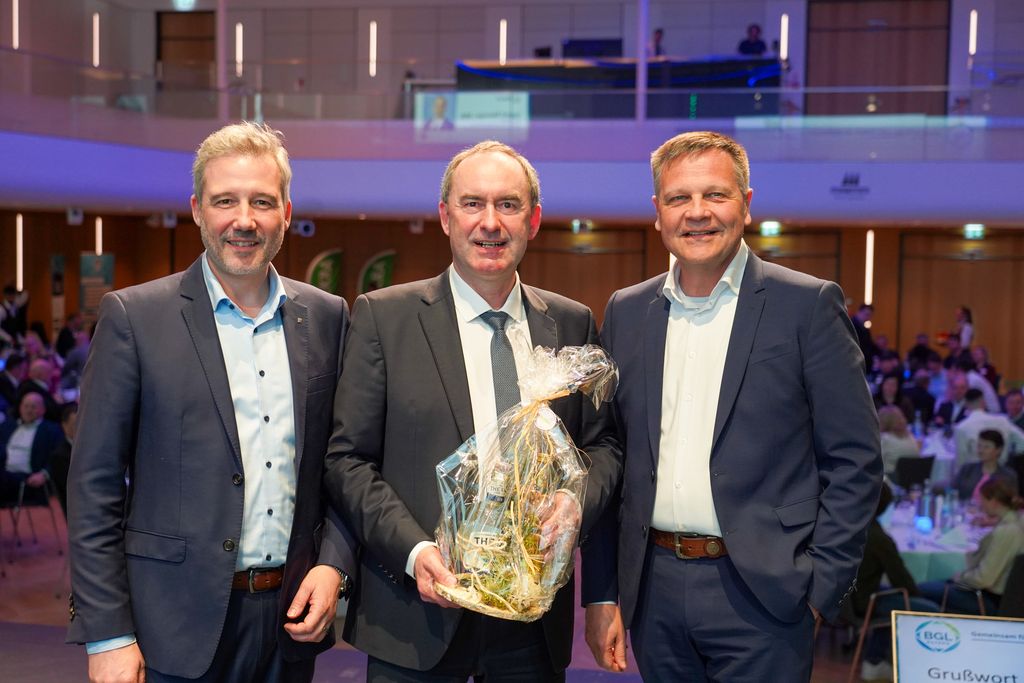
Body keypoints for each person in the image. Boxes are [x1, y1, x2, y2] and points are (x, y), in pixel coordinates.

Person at [582, 131, 881, 681]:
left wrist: (819, 586)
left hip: (766, 594)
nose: (697, 213)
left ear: (746, 202)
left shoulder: (808, 305)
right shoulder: (626, 312)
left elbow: (856, 458)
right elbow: (611, 457)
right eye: (679, 198)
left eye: (715, 195)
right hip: (654, 591)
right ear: (657, 212)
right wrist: (602, 593)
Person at [67, 121, 356, 683]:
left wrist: (333, 565)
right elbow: (94, 485)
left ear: (286, 213)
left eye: (261, 202)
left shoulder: (327, 316)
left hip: (290, 623)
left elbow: (341, 464)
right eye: (225, 200)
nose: (243, 220)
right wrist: (107, 632)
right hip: (170, 626)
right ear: (197, 209)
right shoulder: (134, 318)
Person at [322, 140, 621, 682]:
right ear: (445, 216)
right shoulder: (383, 319)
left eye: (507, 205)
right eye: (472, 204)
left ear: (533, 220)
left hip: (531, 630)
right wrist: (413, 551)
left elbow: (603, 448)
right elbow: (348, 460)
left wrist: (575, 500)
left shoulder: (571, 325)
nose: (490, 223)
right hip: (413, 619)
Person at [854, 482, 940, 681]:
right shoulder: (879, 538)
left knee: (895, 601)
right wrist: (916, 596)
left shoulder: (851, 528)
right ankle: (922, 669)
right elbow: (901, 581)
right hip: (864, 601)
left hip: (845, 600)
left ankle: (875, 660)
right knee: (930, 609)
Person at [918, 478, 1024, 614]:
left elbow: (984, 579)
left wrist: (960, 577)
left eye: (983, 500)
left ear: (994, 502)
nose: (980, 505)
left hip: (986, 598)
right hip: (999, 596)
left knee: (920, 590)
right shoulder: (1016, 523)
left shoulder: (1006, 532)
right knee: (936, 584)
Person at [0, 392, 63, 505]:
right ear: (20, 408)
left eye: (33, 407)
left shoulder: (52, 430)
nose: (29, 410)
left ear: (43, 410)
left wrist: (44, 474)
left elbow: (58, 458)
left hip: (27, 479)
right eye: (26, 406)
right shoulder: (7, 426)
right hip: (4, 473)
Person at [952, 388, 1024, 470]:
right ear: (983, 402)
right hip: (1001, 473)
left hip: (976, 475)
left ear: (966, 404)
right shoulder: (1002, 420)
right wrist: (1010, 456)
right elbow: (1022, 443)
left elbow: (960, 461)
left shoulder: (961, 427)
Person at [952, 430, 1019, 506]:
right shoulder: (967, 469)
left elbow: (1012, 502)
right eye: (979, 446)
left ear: (998, 450)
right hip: (964, 513)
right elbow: (953, 491)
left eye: (986, 447)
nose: (981, 450)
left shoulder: (1008, 475)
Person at [48, 401, 77, 518]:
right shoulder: (59, 456)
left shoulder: (92, 447)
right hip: (78, 508)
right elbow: (70, 490)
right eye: (75, 424)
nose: (80, 428)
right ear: (64, 426)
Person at [878, 406, 921, 479]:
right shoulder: (911, 437)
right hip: (912, 481)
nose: (902, 420)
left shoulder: (885, 439)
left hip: (894, 482)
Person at [851, 303, 876, 373]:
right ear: (859, 312)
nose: (868, 317)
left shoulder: (865, 329)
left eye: (870, 315)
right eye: (866, 314)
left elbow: (869, 345)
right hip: (854, 360)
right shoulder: (851, 325)